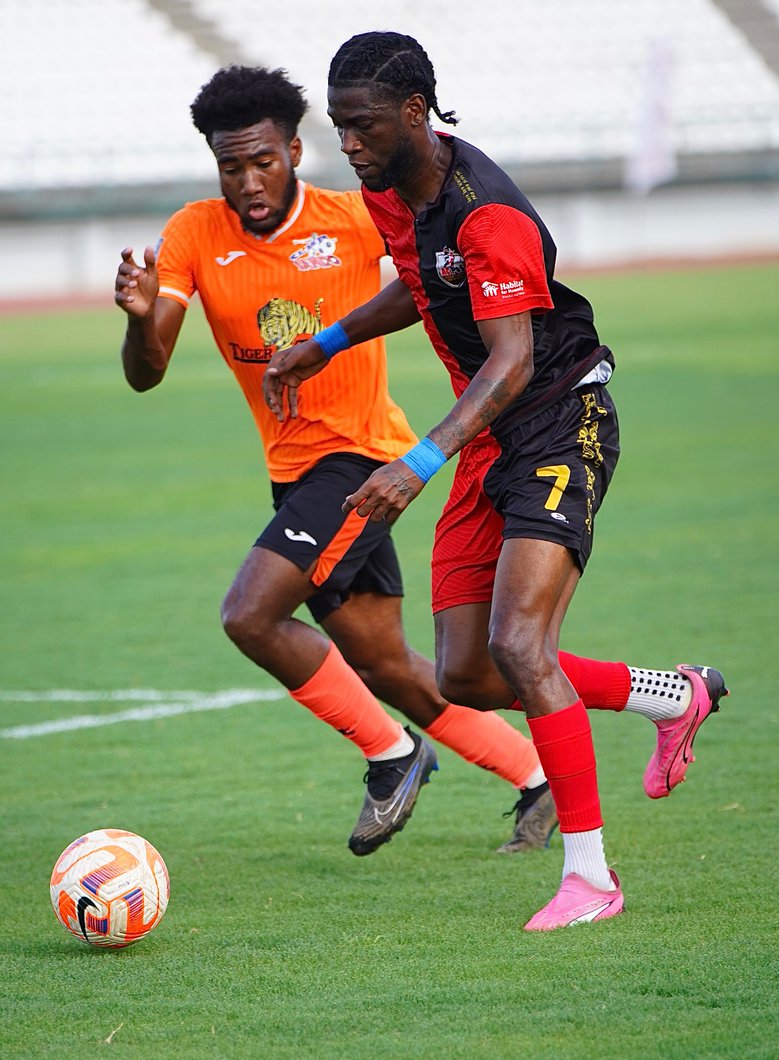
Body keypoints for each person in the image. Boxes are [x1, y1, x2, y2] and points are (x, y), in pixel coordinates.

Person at [265, 32, 728, 928]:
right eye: (339, 127)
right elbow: (421, 285)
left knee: (522, 646)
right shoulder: (392, 190)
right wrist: (325, 341)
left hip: (559, 421)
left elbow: (511, 360)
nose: (348, 145)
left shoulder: (489, 215)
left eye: (361, 126)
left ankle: (592, 878)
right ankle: (674, 695)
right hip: (488, 442)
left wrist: (419, 460)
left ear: (413, 112)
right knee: (470, 675)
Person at [113, 64, 560, 859]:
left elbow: (426, 276)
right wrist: (142, 316)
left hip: (361, 460)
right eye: (229, 165)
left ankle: (391, 756)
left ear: (293, 150)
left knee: (250, 614)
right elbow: (147, 372)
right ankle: (534, 775)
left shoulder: (354, 217)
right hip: (294, 475)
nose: (248, 181)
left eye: (263, 161)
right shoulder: (190, 235)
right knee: (386, 665)